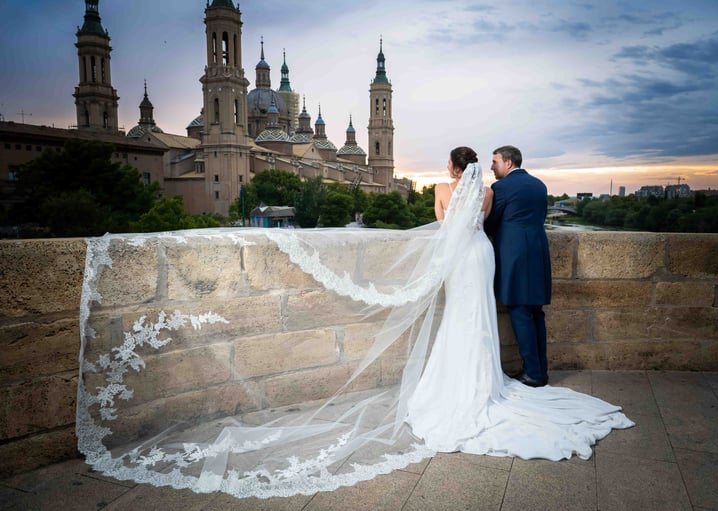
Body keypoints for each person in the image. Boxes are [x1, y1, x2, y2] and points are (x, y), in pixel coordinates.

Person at [77, 146, 633, 498]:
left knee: (463, 319)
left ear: (450, 168)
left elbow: (442, 227)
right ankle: (491, 383)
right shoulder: (491, 192)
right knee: (481, 320)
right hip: (483, 256)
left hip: (461, 259)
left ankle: (461, 390)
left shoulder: (446, 190)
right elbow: (482, 226)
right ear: (477, 168)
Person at [484, 145, 551, 387]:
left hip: (516, 255)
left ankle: (532, 373)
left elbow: (491, 223)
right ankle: (540, 370)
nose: (492, 167)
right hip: (538, 251)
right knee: (536, 312)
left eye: (495, 162)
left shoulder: (501, 187)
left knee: (520, 311)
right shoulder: (539, 185)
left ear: (508, 163)